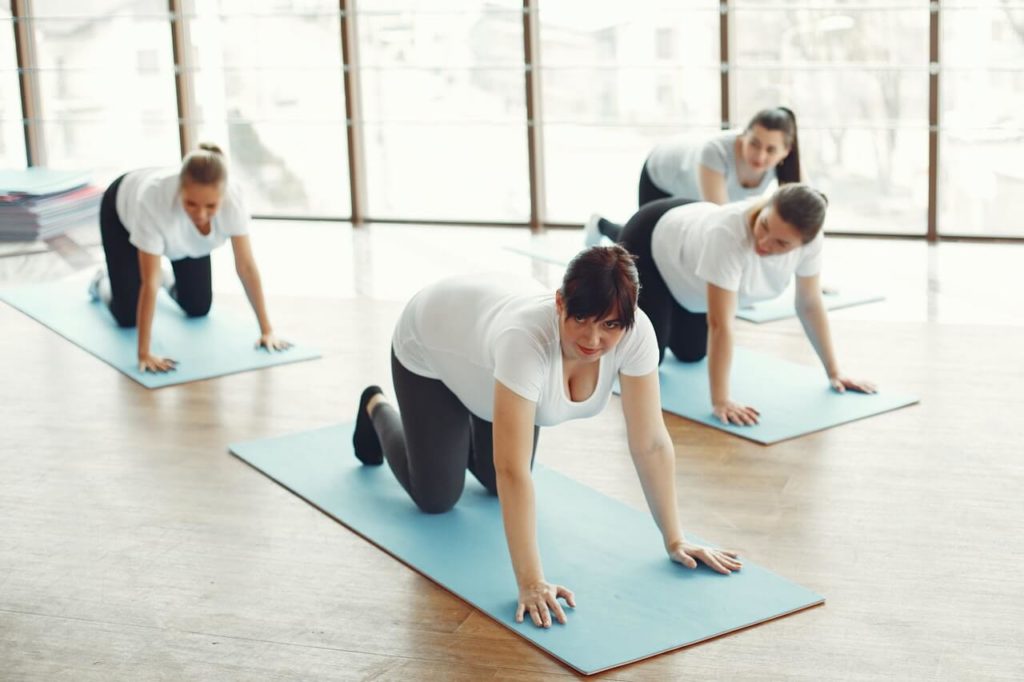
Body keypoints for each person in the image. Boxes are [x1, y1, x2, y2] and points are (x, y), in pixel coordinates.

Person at [352, 246, 742, 629]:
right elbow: (512, 468)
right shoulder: (526, 341)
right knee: (437, 497)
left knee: (490, 483)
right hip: (435, 340)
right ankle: (375, 406)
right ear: (559, 303)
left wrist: (675, 539)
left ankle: (461, 420)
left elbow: (651, 443)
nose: (592, 339)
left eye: (609, 325)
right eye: (581, 319)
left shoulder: (637, 334)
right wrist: (532, 582)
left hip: (486, 349)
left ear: (628, 319)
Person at [616, 184, 875, 427]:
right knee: (649, 359)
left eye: (781, 243)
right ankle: (611, 230)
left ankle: (667, 305)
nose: (763, 243)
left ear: (802, 244)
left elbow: (809, 304)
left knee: (691, 353)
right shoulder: (727, 234)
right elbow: (720, 324)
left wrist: (835, 372)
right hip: (650, 239)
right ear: (765, 207)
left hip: (690, 266)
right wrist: (721, 401)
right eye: (764, 226)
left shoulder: (811, 242)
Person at [89, 143, 290, 372]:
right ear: (180, 190)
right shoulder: (153, 199)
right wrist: (144, 353)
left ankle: (167, 277)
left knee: (198, 306)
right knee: (127, 316)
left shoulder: (233, 199)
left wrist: (267, 330)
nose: (201, 215)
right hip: (122, 209)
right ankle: (101, 280)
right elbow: (150, 281)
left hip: (178, 236)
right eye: (191, 203)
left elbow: (245, 267)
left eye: (211, 206)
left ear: (223, 196)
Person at [586, 107, 800, 245]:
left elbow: (805, 217)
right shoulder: (714, 152)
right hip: (663, 174)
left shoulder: (789, 164)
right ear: (743, 135)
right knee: (642, 242)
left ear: (786, 151)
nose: (760, 155)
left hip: (696, 190)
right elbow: (721, 218)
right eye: (754, 144)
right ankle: (601, 225)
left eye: (771, 150)